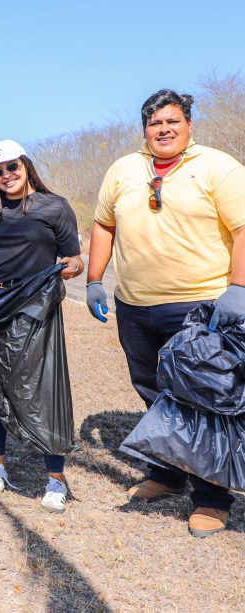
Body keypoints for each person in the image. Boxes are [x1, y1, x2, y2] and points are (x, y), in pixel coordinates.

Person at [87, 89, 245, 537]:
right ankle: (169, 472)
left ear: (189, 124)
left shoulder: (217, 167)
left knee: (204, 401)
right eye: (156, 123)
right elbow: (104, 223)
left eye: (173, 121)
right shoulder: (124, 169)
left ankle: (213, 498)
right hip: (135, 304)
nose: (164, 129)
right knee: (153, 391)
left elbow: (243, 228)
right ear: (145, 130)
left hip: (201, 307)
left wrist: (239, 288)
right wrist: (96, 278)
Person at [0, 140, 84, 513]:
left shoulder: (54, 207)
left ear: (25, 165)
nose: (6, 176)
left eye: (11, 167)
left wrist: (70, 268)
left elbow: (74, 259)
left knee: (42, 387)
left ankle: (55, 478)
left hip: (32, 304)